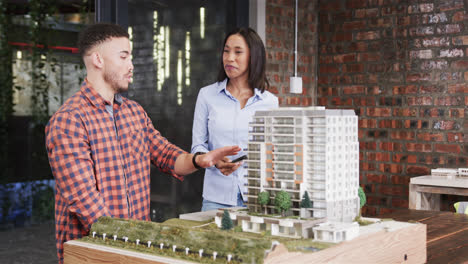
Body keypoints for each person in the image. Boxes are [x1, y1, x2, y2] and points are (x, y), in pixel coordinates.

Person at [45, 23, 240, 263]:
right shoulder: (69, 120)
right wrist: (131, 244)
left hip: (133, 248)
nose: (131, 66)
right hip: (95, 253)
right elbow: (85, 200)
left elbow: (167, 155)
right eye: (123, 56)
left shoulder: (134, 113)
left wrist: (201, 160)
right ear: (98, 59)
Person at [191, 27, 279, 211]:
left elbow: (273, 153)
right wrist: (214, 160)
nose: (230, 58)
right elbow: (198, 146)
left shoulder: (269, 102)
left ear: (253, 57)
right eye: (226, 51)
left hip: (258, 197)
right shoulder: (207, 96)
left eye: (238, 52)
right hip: (216, 196)